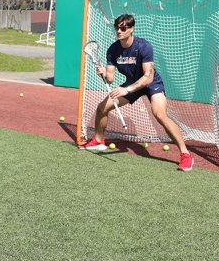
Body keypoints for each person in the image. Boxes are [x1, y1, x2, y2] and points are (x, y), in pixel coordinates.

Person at [79, 13, 194, 171]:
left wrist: (126, 89)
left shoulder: (143, 46)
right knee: (102, 108)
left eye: (123, 28)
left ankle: (186, 154)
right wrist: (104, 73)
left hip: (151, 83)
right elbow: (111, 78)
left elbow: (148, 76)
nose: (119, 31)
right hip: (131, 83)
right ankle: (98, 141)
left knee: (159, 113)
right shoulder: (113, 50)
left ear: (131, 29)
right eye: (117, 27)